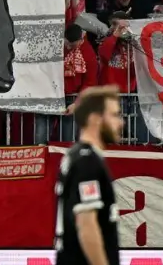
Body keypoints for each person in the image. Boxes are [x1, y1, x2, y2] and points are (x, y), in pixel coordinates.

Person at [55, 86, 123, 265]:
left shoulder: (74, 155)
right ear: (95, 119)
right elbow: (87, 225)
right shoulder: (87, 161)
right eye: (114, 115)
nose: (121, 122)